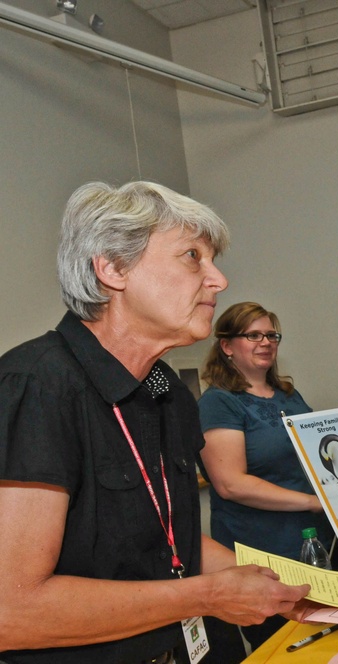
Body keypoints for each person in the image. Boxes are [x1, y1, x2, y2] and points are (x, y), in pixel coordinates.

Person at [0, 182, 312, 664]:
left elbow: (175, 542)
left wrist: (303, 587)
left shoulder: (165, 390)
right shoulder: (37, 386)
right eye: (192, 256)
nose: (218, 280)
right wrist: (204, 596)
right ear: (112, 268)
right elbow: (11, 610)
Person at [199, 302, 338, 650]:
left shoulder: (290, 397)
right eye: (253, 335)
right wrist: (313, 501)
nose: (266, 342)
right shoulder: (218, 403)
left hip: (318, 544)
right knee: (290, 649)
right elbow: (230, 484)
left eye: (271, 335)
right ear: (227, 346)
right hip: (264, 551)